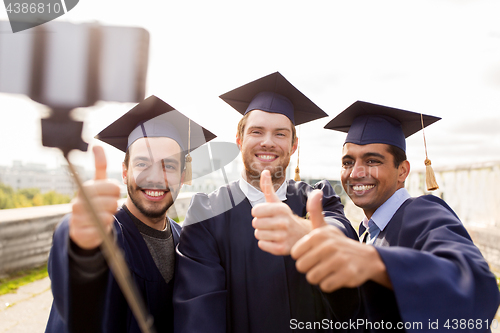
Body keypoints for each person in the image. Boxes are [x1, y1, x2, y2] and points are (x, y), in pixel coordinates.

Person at [291, 101, 500, 332]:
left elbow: (474, 283)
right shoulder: (369, 231)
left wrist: (373, 261)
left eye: (372, 161)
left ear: (402, 171)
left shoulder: (424, 214)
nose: (356, 172)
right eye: (348, 162)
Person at [173, 72, 359, 332]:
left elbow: (342, 235)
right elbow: (199, 312)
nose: (268, 142)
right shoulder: (207, 214)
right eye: (257, 131)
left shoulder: (317, 200)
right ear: (239, 140)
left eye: (280, 134)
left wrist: (311, 232)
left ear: (294, 145)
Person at [45, 95, 216, 333]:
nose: (155, 177)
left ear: (183, 176)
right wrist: (80, 245)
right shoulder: (108, 231)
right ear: (125, 172)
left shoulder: (186, 242)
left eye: (169, 165)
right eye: (142, 164)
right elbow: (77, 280)